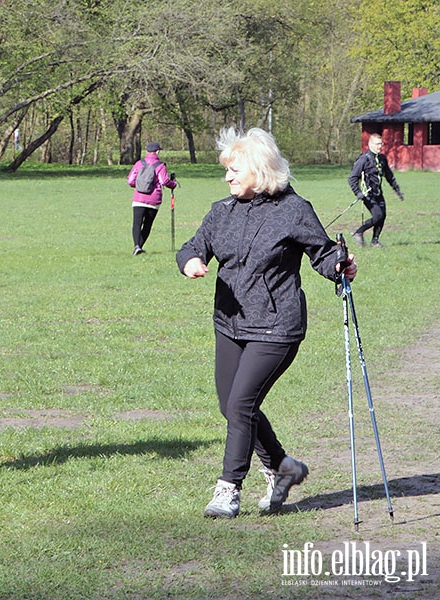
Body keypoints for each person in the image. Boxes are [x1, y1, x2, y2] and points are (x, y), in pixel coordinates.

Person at [176, 127, 358, 518]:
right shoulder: (220, 211)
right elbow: (194, 245)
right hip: (229, 322)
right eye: (226, 170)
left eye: (234, 170)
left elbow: (323, 254)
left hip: (276, 327)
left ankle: (228, 490)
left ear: (259, 170)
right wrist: (191, 261)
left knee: (242, 403)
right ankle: (283, 467)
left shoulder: (294, 210)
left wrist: (340, 265)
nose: (227, 177)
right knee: (232, 406)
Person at [347, 133, 403, 248]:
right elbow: (352, 178)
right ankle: (358, 232)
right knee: (377, 215)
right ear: (370, 144)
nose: (380, 146)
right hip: (368, 194)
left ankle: (375, 241)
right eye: (377, 144)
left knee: (383, 216)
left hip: (378, 193)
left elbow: (389, 175)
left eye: (381, 144)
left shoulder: (382, 159)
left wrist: (397, 189)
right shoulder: (364, 159)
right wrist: (357, 192)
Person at [127, 142, 177, 255]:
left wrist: (139, 186)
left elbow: (130, 180)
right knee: (147, 224)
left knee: (136, 223)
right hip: (153, 199)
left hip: (138, 198)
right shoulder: (160, 165)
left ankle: (136, 246)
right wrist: (173, 184)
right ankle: (139, 247)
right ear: (158, 151)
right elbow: (164, 181)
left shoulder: (139, 163)